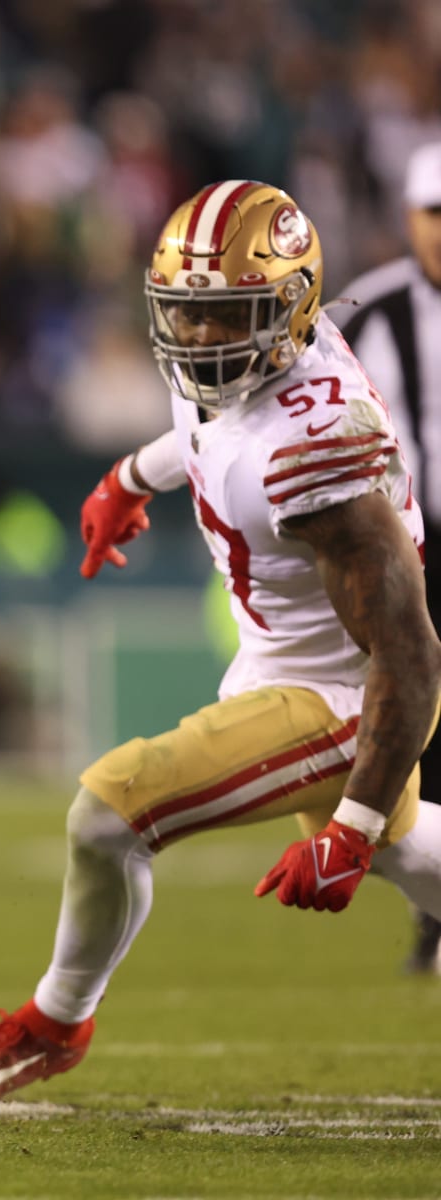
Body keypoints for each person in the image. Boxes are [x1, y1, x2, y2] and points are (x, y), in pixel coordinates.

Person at [0, 180, 441, 1107]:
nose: (200, 339)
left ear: (290, 307)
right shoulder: (247, 360)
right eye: (186, 316)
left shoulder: (319, 451)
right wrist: (132, 475)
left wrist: (350, 829)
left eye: (225, 317)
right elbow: (209, 426)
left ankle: (53, 1023)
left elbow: (410, 656)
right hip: (280, 660)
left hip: (344, 697)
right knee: (414, 855)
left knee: (108, 814)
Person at [335, 141, 441, 975]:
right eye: (434, 213)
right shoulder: (368, 311)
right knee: (420, 730)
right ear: (408, 218)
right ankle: (429, 916)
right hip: (412, 548)